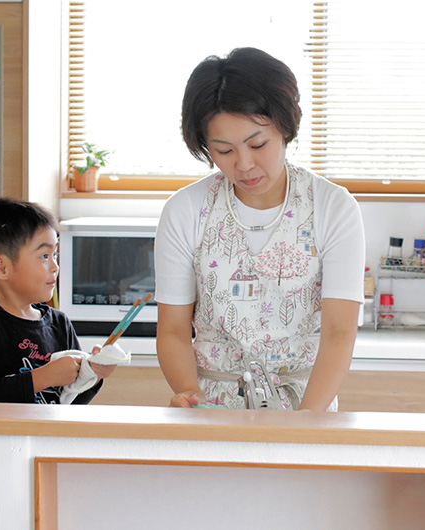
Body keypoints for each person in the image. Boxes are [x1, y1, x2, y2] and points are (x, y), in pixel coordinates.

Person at [155, 47, 365, 411]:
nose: (244, 164)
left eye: (258, 144)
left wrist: (305, 422)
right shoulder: (185, 210)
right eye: (223, 150)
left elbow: (339, 332)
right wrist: (190, 394)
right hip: (211, 408)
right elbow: (173, 329)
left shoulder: (332, 206)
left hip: (306, 403)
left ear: (285, 126)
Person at [0, 198, 115, 403]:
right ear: (1, 267)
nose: (55, 266)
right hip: (4, 435)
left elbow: (70, 401)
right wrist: (43, 377)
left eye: (54, 254)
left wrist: (92, 374)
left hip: (50, 434)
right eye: (44, 256)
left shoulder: (59, 323)